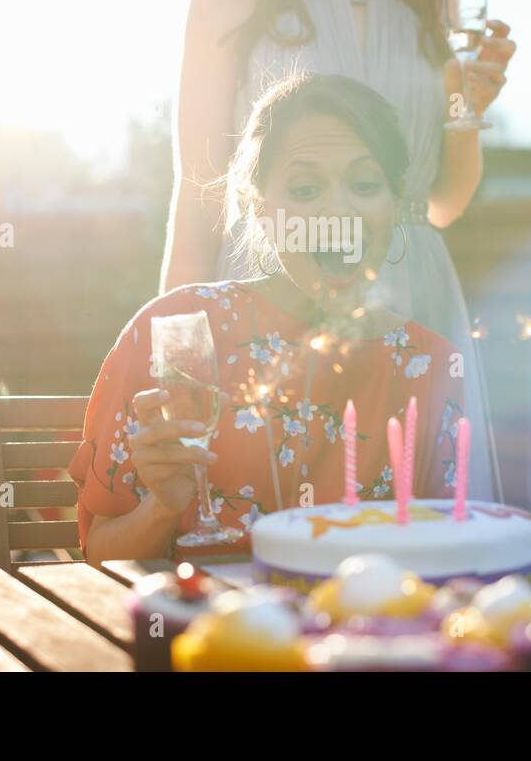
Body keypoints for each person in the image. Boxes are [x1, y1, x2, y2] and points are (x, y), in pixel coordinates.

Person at [159, 0, 516, 501]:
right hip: (272, 295)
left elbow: (441, 204)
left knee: (423, 545)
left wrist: (465, 107)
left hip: (414, 295)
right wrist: (174, 351)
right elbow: (197, 190)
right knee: (267, 533)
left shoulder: (438, 0)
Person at [71, 75, 465, 561]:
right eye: (304, 188)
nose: (337, 212)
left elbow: (442, 558)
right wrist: (161, 509)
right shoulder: (176, 329)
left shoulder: (431, 366)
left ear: (397, 201)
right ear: (260, 207)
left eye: (364, 184)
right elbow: (96, 553)